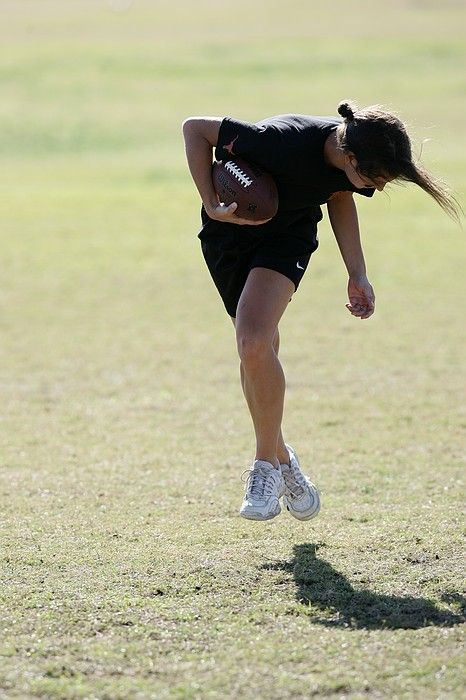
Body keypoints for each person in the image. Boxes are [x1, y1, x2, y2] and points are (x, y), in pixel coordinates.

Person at [182, 100, 460, 522]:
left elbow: (339, 197)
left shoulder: (353, 151)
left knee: (253, 340)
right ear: (349, 158)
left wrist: (357, 273)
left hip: (286, 239)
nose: (379, 188)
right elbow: (195, 129)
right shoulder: (280, 142)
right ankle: (286, 462)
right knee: (256, 351)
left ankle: (264, 468)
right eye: (377, 178)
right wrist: (210, 200)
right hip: (228, 237)